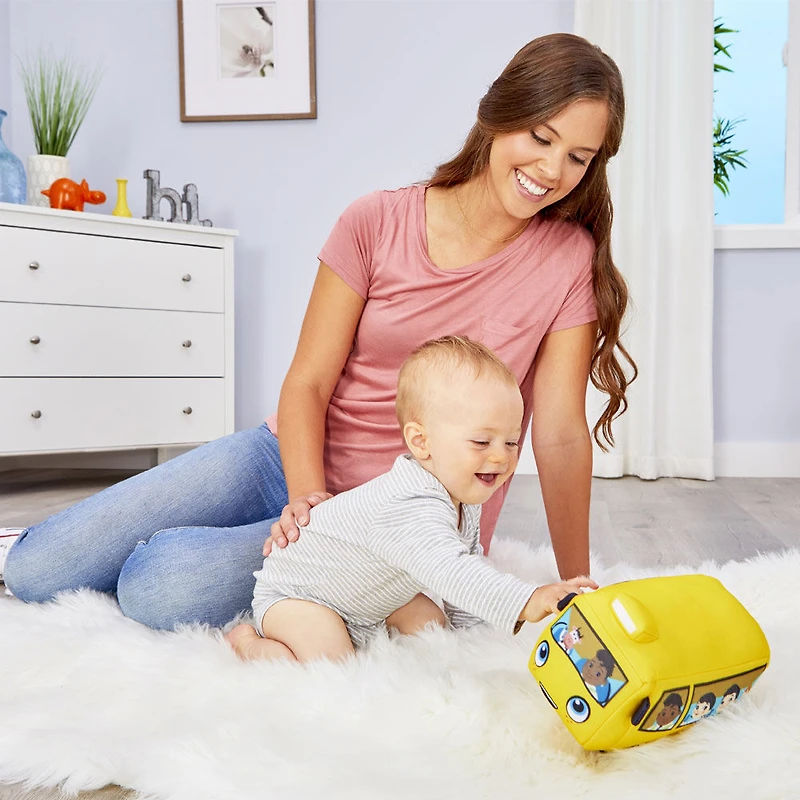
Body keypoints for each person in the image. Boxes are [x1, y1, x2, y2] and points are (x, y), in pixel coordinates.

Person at [3, 32, 635, 631]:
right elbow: (308, 380)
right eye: (540, 137)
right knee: (35, 570)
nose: (552, 169)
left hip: (401, 524)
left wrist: (577, 584)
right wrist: (307, 499)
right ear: (499, 114)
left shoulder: (565, 259)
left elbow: (557, 434)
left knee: (159, 586)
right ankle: (121, 539)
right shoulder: (375, 221)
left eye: (577, 157)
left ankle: (177, 549)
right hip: (283, 461)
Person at [226, 336, 597, 663]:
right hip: (301, 595)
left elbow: (466, 561)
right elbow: (453, 572)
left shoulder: (462, 497)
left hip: (369, 596)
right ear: (421, 442)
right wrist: (527, 600)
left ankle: (367, 626)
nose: (500, 457)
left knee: (433, 625)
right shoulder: (409, 504)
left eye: (511, 441)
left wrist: (479, 638)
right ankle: (248, 646)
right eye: (482, 442)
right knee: (332, 662)